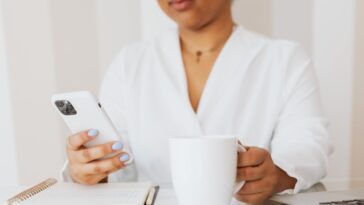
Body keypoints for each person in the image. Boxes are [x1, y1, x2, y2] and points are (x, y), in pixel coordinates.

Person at [61, 0, 332, 203]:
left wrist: (275, 176)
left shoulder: (285, 60)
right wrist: (91, 170)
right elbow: (117, 166)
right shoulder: (129, 64)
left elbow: (307, 145)